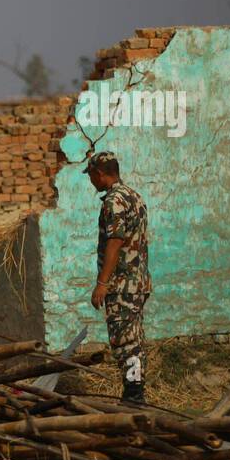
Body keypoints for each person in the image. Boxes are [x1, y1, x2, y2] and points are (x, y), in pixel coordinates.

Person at [86, 151, 152, 404]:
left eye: (92, 176)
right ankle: (134, 394)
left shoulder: (113, 201)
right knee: (134, 339)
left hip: (122, 285)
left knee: (125, 342)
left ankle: (134, 395)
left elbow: (115, 241)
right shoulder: (134, 197)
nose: (91, 182)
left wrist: (102, 283)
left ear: (99, 173)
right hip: (138, 282)